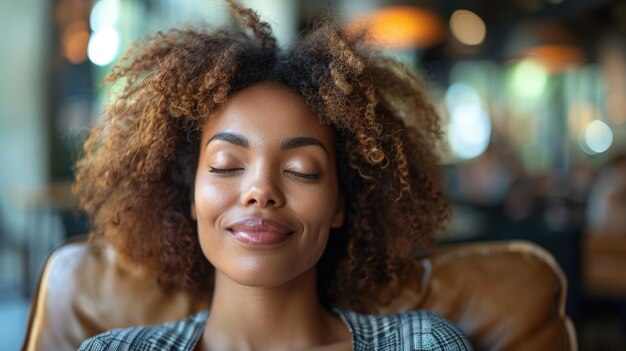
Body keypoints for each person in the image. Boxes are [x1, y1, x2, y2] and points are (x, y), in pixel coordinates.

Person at [75, 1, 472, 350]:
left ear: (340, 203)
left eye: (303, 171)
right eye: (226, 165)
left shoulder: (422, 344)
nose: (260, 190)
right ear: (190, 195)